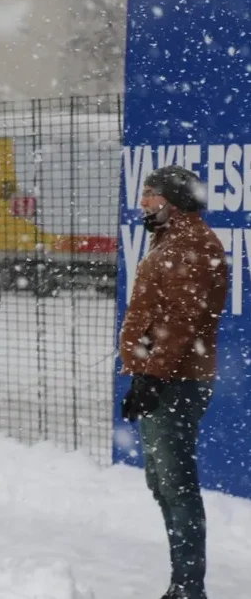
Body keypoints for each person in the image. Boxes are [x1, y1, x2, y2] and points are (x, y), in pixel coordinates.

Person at [118, 166, 227, 599]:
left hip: (176, 382)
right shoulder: (171, 240)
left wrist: (153, 377)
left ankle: (187, 588)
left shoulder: (192, 245)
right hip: (164, 376)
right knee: (161, 483)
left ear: (173, 200)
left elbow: (181, 321)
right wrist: (145, 373)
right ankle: (182, 583)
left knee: (176, 486)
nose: (142, 203)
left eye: (150, 194)